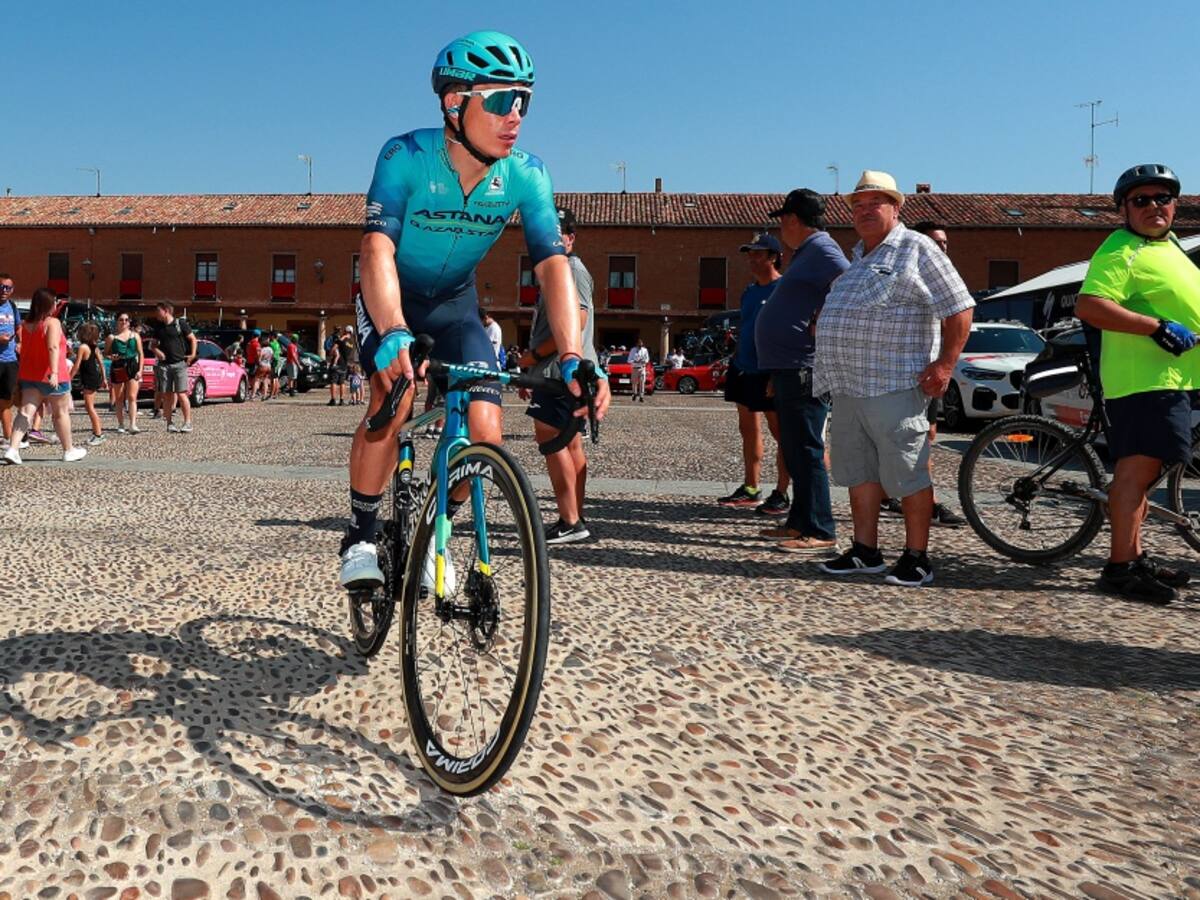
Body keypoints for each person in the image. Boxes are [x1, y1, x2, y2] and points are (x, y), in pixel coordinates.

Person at [339, 30, 610, 589]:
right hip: (393, 297)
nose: (517, 116)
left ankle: (439, 517)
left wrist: (572, 355)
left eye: (525, 102)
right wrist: (391, 330)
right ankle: (361, 534)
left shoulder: (527, 174)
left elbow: (552, 265)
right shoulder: (405, 156)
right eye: (503, 100)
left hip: (457, 306)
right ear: (454, 104)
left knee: (486, 435)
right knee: (397, 393)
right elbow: (376, 248)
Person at [814, 170, 974, 587]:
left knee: (908, 473)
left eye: (875, 204)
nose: (865, 211)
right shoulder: (859, 256)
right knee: (860, 472)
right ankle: (865, 550)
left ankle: (917, 556)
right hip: (848, 387)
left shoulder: (917, 248)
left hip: (895, 385)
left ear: (896, 208)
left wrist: (945, 365)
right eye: (858, 206)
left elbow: (959, 307)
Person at [1074, 163, 1199, 604]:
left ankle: (1134, 554)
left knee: (1143, 475)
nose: (1153, 206)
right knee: (1135, 473)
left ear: (1175, 205)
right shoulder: (1121, 247)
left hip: (1173, 378)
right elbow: (1089, 305)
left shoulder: (1172, 246)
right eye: (1140, 200)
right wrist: (1154, 327)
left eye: (1162, 198)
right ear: (1124, 210)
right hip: (1143, 381)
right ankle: (1119, 569)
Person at [754, 189, 849, 553]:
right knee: (794, 448)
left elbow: (848, 281)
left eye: (782, 221)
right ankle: (798, 522)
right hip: (788, 366)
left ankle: (821, 529)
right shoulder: (808, 253)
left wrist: (824, 318)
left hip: (804, 366)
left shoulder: (824, 249)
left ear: (793, 219)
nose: (780, 229)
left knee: (806, 449)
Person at [878, 220, 966, 528]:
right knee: (892, 437)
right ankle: (903, 496)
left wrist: (946, 362)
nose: (941, 248)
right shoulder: (909, 275)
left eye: (944, 243)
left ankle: (925, 501)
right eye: (935, 242)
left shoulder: (945, 280)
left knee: (925, 436)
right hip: (900, 374)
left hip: (929, 373)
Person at [521, 206, 599, 543]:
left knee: (552, 441)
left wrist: (534, 356)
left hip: (558, 371)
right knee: (569, 443)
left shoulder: (570, 269)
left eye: (559, 232)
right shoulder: (560, 268)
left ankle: (570, 520)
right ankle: (573, 516)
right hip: (557, 370)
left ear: (570, 237)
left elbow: (577, 320)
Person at [717, 232, 790, 515]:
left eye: (758, 253)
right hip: (743, 367)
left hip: (769, 370)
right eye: (749, 253)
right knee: (748, 429)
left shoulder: (783, 289)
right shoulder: (749, 292)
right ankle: (751, 487)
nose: (751, 258)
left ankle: (782, 492)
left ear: (773, 257)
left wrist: (776, 373)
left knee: (781, 433)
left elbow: (786, 333)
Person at [2, 288, 86, 464]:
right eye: (54, 301)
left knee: (25, 413)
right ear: (49, 303)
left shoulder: (26, 325)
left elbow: (24, 351)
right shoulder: (52, 323)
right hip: (54, 375)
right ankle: (68, 450)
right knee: (60, 413)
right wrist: (54, 372)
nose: (56, 304)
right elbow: (53, 347)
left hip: (30, 375)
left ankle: (13, 448)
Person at [152, 302, 197, 432]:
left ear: (166, 311)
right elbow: (153, 345)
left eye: (158, 311)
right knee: (167, 395)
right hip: (164, 366)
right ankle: (169, 423)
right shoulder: (158, 327)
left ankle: (187, 422)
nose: (156, 314)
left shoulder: (180, 324)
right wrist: (157, 351)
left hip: (179, 364)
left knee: (182, 394)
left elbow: (192, 339)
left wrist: (192, 355)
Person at [105, 314, 144, 434]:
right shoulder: (112, 337)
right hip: (118, 366)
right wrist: (112, 357)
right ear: (117, 322)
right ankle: (121, 424)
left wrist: (140, 370)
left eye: (126, 320)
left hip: (132, 365)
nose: (124, 322)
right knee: (119, 397)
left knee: (132, 396)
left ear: (129, 322)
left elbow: (141, 354)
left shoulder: (135, 336)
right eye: (121, 320)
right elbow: (106, 353)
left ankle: (132, 424)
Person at [70, 322, 108, 445]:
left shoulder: (82, 347)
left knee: (90, 407)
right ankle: (96, 433)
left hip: (89, 379)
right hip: (94, 377)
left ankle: (98, 434)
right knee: (89, 407)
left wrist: (68, 378)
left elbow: (77, 365)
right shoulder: (95, 347)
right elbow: (101, 364)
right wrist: (104, 379)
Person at [0, 274, 21, 447]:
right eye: (1, 287)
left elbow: (18, 327)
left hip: (10, 359)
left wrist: (20, 342)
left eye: (7, 288)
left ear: (12, 290)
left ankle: (7, 437)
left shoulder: (13, 307)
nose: (4, 291)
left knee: (7, 399)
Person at [327, 327, 351, 406]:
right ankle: (342, 400)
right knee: (342, 382)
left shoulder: (341, 340)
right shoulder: (351, 343)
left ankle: (333, 400)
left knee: (333, 381)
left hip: (337, 364)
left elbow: (334, 348)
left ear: (345, 331)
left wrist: (330, 354)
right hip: (344, 364)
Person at [628, 338, 650, 402]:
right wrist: (634, 361)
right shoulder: (633, 350)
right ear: (636, 344)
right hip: (635, 368)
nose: (640, 346)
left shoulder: (645, 350)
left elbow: (647, 359)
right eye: (639, 345)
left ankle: (641, 396)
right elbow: (629, 360)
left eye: (641, 344)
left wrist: (644, 361)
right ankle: (634, 393)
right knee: (634, 383)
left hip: (642, 368)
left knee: (642, 382)